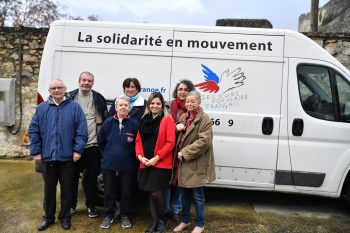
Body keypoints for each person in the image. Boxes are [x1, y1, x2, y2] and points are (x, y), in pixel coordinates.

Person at [28, 79, 88, 231]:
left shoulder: (74, 107)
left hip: (68, 157)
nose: (56, 90)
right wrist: (35, 151)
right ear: (49, 91)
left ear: (65, 89)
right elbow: (33, 130)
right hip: (47, 157)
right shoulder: (42, 108)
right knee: (49, 190)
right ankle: (48, 217)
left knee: (67, 190)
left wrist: (77, 150)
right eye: (53, 88)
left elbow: (82, 131)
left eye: (59, 88)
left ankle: (65, 218)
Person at [172, 91, 216, 233]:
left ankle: (200, 224)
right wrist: (177, 126)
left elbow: (204, 142)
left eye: (193, 101)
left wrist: (184, 153)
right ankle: (185, 220)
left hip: (195, 162)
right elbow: (178, 129)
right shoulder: (185, 116)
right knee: (184, 195)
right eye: (187, 102)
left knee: (197, 195)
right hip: (183, 163)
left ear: (199, 102)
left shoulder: (205, 119)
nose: (189, 104)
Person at [69, 71, 108, 217]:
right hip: (73, 147)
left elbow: (103, 121)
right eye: (84, 80)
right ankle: (71, 206)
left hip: (93, 146)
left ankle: (91, 206)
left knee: (91, 179)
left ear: (93, 83)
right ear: (78, 81)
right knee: (71, 178)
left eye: (89, 81)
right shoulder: (70, 97)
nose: (86, 83)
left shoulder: (98, 98)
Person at [136, 92, 176, 233]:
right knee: (149, 192)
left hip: (160, 163)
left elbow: (170, 142)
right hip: (145, 162)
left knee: (156, 193)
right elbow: (138, 140)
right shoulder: (144, 119)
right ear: (149, 104)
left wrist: (156, 158)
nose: (155, 106)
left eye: (158, 103)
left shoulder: (167, 119)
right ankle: (154, 222)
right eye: (152, 103)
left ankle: (161, 221)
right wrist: (140, 157)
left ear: (162, 105)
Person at [108, 77, 147, 218]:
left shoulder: (144, 105)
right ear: (124, 89)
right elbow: (109, 122)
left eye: (133, 87)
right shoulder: (117, 102)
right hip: (118, 149)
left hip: (134, 148)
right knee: (118, 182)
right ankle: (120, 207)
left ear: (138, 89)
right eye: (127, 87)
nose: (130, 89)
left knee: (131, 181)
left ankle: (129, 208)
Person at [97, 96, 139, 229]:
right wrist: (109, 155)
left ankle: (125, 215)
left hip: (127, 166)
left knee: (126, 192)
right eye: (120, 105)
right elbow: (101, 141)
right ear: (115, 107)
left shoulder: (134, 124)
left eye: (126, 105)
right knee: (109, 193)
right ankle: (108, 215)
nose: (123, 107)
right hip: (109, 165)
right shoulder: (108, 122)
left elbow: (137, 144)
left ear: (129, 108)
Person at [164, 79, 195, 222]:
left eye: (185, 89)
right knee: (166, 181)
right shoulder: (168, 106)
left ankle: (176, 210)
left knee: (178, 181)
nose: (182, 92)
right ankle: (164, 209)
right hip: (167, 148)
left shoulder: (192, 108)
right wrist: (175, 125)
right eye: (180, 89)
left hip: (182, 149)